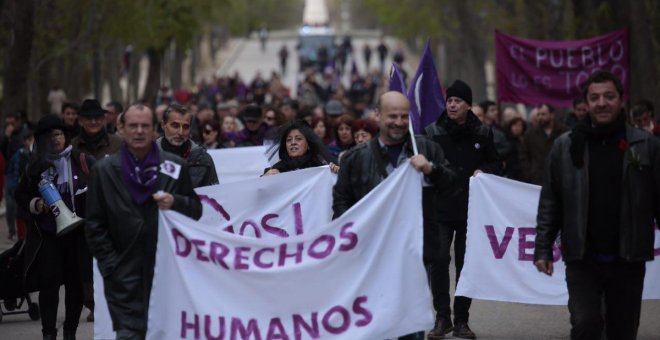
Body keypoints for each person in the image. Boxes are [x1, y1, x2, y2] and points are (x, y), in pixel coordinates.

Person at [534, 71, 660, 340]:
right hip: (582, 258)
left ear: (621, 100)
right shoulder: (564, 147)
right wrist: (542, 247)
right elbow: (551, 200)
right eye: (595, 98)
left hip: (628, 258)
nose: (602, 103)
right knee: (586, 324)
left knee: (622, 331)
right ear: (586, 103)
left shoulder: (646, 145)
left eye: (609, 96)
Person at [333, 91, 456, 340]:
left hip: (414, 254)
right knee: (372, 325)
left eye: (404, 116)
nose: (399, 122)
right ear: (378, 116)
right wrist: (354, 234)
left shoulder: (427, 149)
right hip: (370, 255)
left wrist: (431, 170)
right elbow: (341, 203)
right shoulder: (356, 158)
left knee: (409, 327)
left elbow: (453, 187)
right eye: (392, 116)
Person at [86, 104, 203, 339]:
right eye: (133, 126)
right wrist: (112, 267)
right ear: (121, 128)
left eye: (145, 126)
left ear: (154, 130)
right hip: (123, 277)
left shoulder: (175, 167)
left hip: (167, 275)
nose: (139, 131)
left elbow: (196, 211)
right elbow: (94, 225)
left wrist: (176, 202)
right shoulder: (104, 170)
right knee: (129, 334)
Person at [425, 80, 502, 339]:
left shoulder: (483, 133)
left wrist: (485, 171)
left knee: (466, 266)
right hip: (439, 208)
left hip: (471, 209)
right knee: (437, 262)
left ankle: (461, 320)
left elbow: (496, 163)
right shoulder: (433, 131)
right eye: (449, 100)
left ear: (469, 105)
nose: (452, 104)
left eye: (458, 101)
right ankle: (442, 318)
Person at [16, 115, 95, 340]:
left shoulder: (82, 161)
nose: (55, 139)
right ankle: (48, 333)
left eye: (59, 134)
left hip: (78, 234)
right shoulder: (34, 167)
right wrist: (36, 204)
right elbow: (19, 195)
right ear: (41, 141)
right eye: (49, 136)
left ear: (66, 136)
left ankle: (70, 331)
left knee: (75, 287)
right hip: (48, 236)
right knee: (49, 285)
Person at [156, 103, 219, 188]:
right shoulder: (148, 155)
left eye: (185, 127)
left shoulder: (203, 159)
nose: (180, 132)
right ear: (163, 125)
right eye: (175, 126)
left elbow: (213, 195)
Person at [263, 121, 337, 175]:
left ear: (308, 144)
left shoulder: (320, 167)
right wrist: (266, 177)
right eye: (289, 140)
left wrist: (335, 172)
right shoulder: (277, 168)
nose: (293, 143)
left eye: (298, 139)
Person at [519, 103, 567, 185]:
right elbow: (523, 155)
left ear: (552, 115)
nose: (540, 117)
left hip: (559, 179)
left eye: (543, 114)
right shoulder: (530, 134)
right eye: (538, 114)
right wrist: (529, 174)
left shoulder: (563, 132)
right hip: (537, 179)